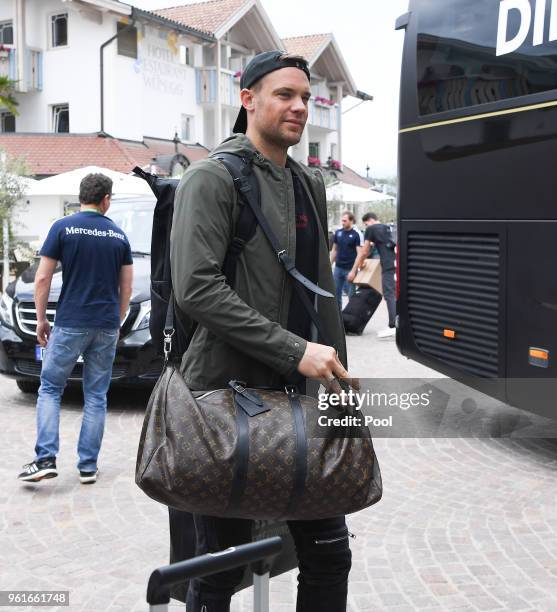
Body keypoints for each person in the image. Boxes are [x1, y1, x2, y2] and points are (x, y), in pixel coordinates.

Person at [170, 50, 355, 612]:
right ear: (247, 99)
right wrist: (295, 351)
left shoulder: (308, 183)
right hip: (225, 400)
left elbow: (321, 291)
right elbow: (197, 289)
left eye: (305, 96)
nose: (299, 106)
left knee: (328, 552)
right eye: (284, 95)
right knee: (221, 567)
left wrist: (342, 394)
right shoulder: (210, 177)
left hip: (301, 401)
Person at [17, 173, 133, 484]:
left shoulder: (62, 228)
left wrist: (42, 319)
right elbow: (126, 287)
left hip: (70, 322)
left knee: (51, 388)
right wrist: (117, 320)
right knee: (96, 395)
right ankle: (87, 467)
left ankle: (45, 458)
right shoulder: (119, 236)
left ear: (81, 197)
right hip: (106, 324)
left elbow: (42, 279)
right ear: (106, 200)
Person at [348, 212, 396, 338]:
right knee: (396, 294)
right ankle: (398, 323)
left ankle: (393, 326)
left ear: (369, 220)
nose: (366, 226)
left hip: (387, 265)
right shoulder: (387, 227)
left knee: (389, 294)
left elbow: (364, 251)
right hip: (397, 263)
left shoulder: (371, 229)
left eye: (365, 224)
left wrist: (358, 266)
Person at [330, 211, 360, 310]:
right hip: (338, 268)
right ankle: (339, 319)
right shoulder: (338, 233)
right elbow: (334, 250)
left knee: (351, 295)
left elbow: (359, 254)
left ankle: (352, 318)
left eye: (345, 220)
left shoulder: (356, 235)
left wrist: (353, 271)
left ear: (351, 221)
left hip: (350, 270)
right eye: (342, 220)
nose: (343, 222)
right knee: (336, 295)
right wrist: (329, 265)